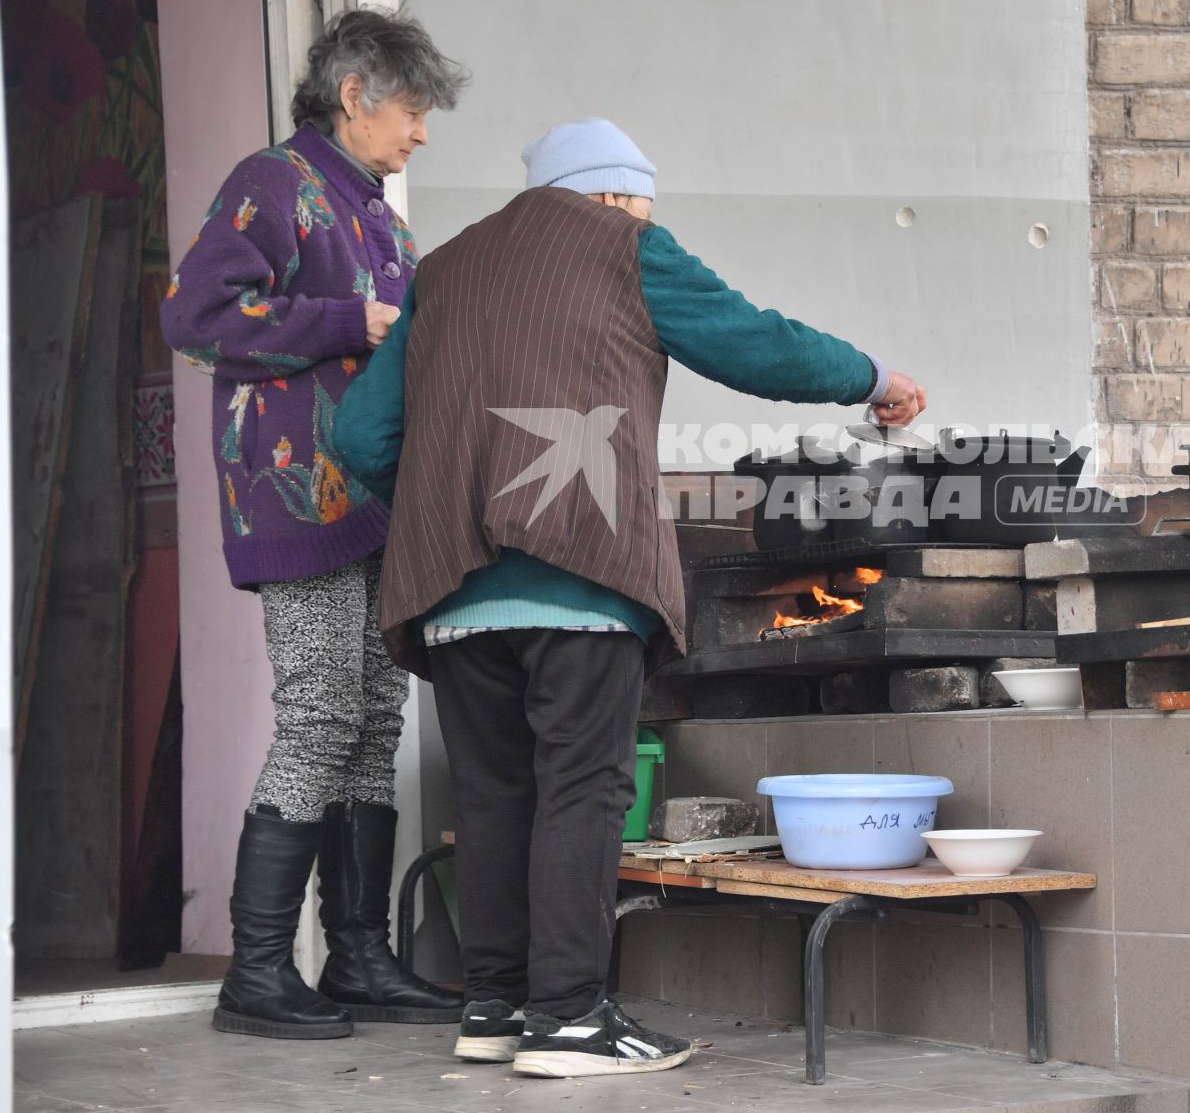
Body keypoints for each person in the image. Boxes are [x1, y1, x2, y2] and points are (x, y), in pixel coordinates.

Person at [333, 118, 925, 1078]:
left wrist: (458, 492)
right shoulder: (625, 245)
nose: (647, 218)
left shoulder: (442, 270)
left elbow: (361, 437)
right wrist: (872, 376)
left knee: (492, 797)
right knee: (583, 788)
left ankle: (498, 1005)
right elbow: (753, 343)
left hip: (452, 595)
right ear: (611, 196)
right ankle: (568, 1019)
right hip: (580, 574)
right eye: (643, 205)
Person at [160, 7, 469, 1040]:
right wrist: (349, 319)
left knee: (377, 722)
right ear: (355, 95)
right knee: (321, 715)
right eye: (413, 109)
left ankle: (360, 958)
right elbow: (195, 317)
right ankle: (254, 974)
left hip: (376, 500)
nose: (421, 132)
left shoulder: (378, 214)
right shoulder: (271, 183)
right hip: (296, 496)